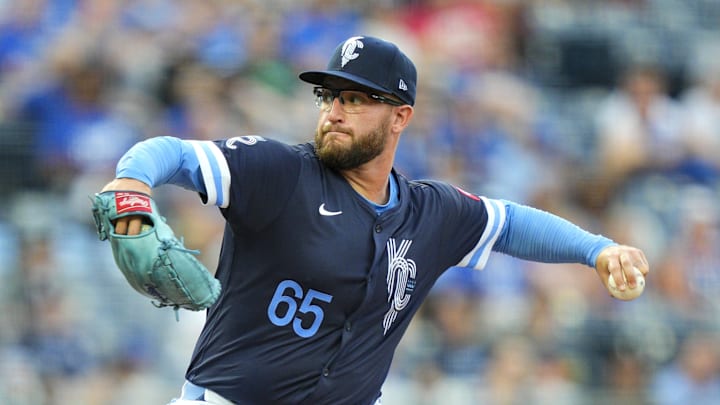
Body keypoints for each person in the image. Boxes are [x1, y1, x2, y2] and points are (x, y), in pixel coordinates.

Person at [98, 35, 649, 405]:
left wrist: (598, 250)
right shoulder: (282, 172)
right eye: (329, 95)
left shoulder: (430, 211)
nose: (335, 110)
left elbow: (511, 224)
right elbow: (171, 152)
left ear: (400, 116)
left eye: (357, 99)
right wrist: (130, 186)